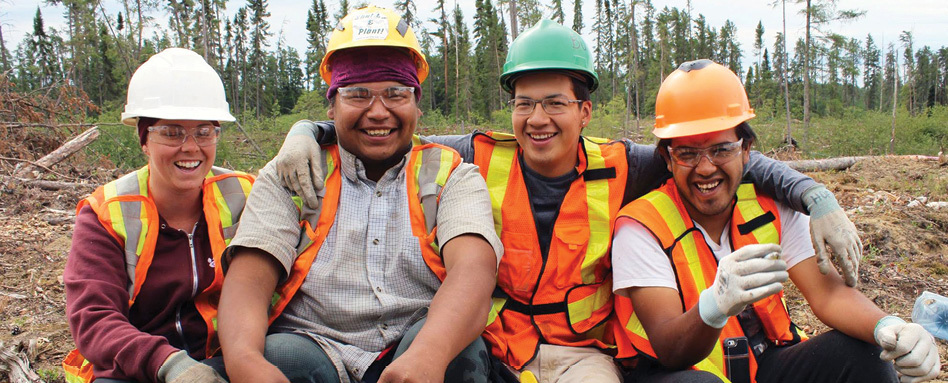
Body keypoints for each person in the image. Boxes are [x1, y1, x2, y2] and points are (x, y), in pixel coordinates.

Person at [274, 20, 862, 382]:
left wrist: (813, 193)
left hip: (587, 357)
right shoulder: (474, 156)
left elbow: (714, 155)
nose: (537, 119)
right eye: (524, 103)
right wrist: (310, 129)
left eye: (555, 103)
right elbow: (386, 131)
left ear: (584, 111)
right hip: (496, 352)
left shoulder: (626, 163)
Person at [216, 6, 501, 383]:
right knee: (279, 354)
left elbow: (474, 272)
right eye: (358, 94)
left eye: (396, 93)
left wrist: (429, 357)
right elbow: (249, 281)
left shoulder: (453, 175)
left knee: (462, 352)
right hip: (315, 345)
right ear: (332, 105)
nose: (378, 111)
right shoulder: (293, 170)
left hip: (418, 342)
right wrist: (246, 364)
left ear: (416, 102)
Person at [611, 59, 942, 383]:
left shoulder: (769, 207)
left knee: (864, 354)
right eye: (687, 153)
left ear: (746, 150)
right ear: (667, 159)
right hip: (675, 373)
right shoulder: (641, 227)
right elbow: (670, 350)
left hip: (760, 364)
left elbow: (827, 296)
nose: (706, 167)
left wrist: (888, 327)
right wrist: (713, 306)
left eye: (722, 149)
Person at [63, 48, 251, 383]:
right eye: (172, 132)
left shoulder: (244, 195)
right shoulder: (107, 213)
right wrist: (170, 365)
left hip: (229, 359)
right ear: (144, 140)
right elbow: (94, 319)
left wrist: (307, 133)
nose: (191, 147)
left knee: (294, 357)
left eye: (204, 131)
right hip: (138, 371)